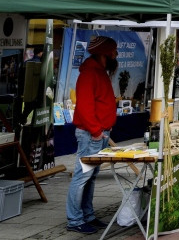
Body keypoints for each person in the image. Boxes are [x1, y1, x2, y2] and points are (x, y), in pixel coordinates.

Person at [66, 36, 118, 233]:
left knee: (91, 176)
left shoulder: (98, 72)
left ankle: (87, 215)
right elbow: (86, 106)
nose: (116, 55)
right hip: (92, 134)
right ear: (105, 53)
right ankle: (75, 219)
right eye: (114, 51)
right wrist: (96, 131)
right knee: (82, 177)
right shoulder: (89, 73)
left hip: (99, 133)